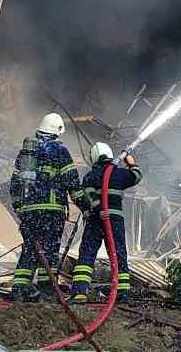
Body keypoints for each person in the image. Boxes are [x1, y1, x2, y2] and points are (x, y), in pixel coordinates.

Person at [8, 113, 78, 302]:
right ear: (59, 130)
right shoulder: (59, 150)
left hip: (29, 212)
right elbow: (71, 181)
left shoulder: (26, 152)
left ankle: (20, 288)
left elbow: (14, 184)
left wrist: (19, 208)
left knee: (30, 248)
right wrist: (86, 205)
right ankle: (47, 291)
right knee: (49, 250)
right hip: (51, 212)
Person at [69, 143, 141, 302]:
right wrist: (130, 161)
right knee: (118, 254)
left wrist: (95, 209)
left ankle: (80, 291)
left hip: (95, 219)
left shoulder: (90, 176)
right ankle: (122, 294)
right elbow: (136, 175)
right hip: (114, 220)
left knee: (87, 253)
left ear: (94, 157)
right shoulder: (119, 174)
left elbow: (85, 197)